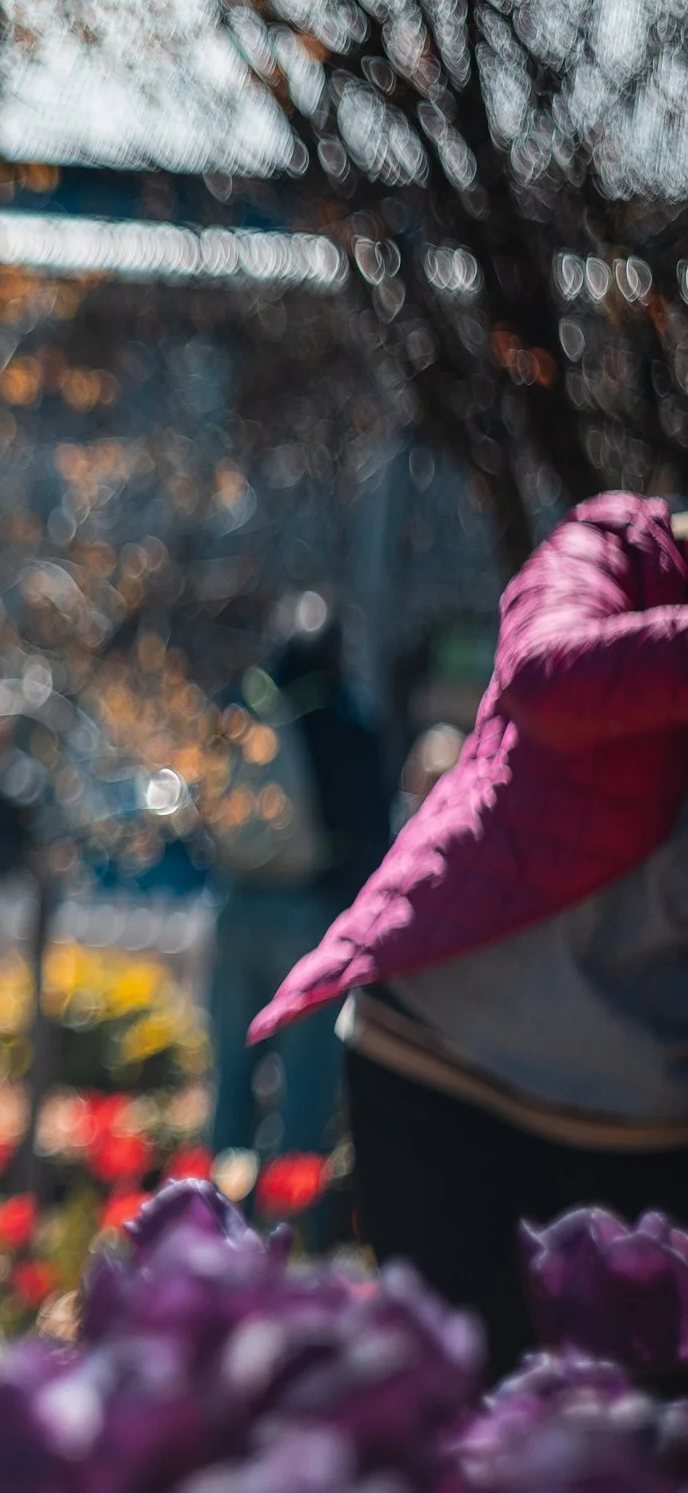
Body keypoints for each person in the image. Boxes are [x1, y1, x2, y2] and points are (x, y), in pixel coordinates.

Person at [253, 492, 688, 1372]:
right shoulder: (616, 544)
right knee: (464, 1409)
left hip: (644, 1114)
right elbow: (545, 673)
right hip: (443, 1059)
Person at [207, 598, 390, 1165]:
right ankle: (292, 1232)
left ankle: (209, 1232)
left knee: (231, 1076)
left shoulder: (244, 708)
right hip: (311, 913)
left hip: (236, 905)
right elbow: (369, 827)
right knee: (306, 1082)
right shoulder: (345, 719)